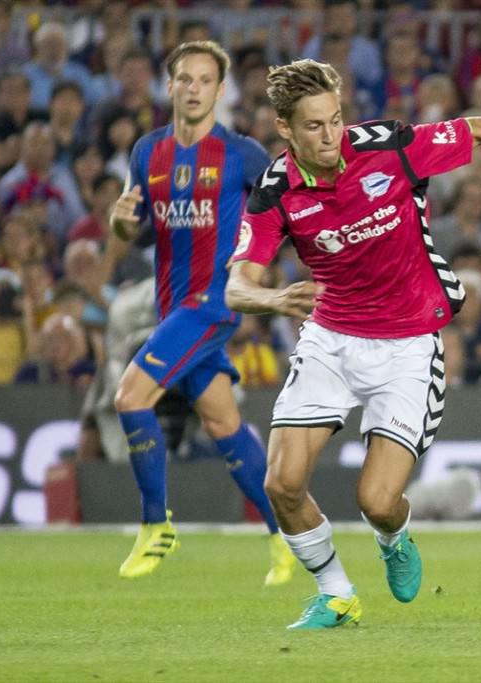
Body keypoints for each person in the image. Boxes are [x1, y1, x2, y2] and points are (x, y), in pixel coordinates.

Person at [225, 58, 481, 631]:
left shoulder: (389, 147)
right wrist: (272, 298)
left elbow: (480, 127)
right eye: (313, 126)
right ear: (284, 128)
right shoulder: (275, 193)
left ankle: (394, 537)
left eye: (335, 120)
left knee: (377, 502)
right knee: (281, 485)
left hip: (407, 343)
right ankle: (335, 593)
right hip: (331, 338)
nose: (331, 136)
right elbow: (237, 286)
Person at [108, 40, 295, 587]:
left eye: (205, 80)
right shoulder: (147, 152)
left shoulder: (242, 154)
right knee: (222, 423)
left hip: (214, 303)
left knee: (130, 397)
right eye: (185, 79)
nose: (194, 89)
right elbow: (129, 225)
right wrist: (120, 220)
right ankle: (286, 535)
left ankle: (154, 524)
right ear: (169, 86)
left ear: (220, 90)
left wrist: (259, 268)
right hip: (172, 306)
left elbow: (290, 210)